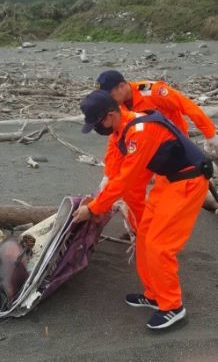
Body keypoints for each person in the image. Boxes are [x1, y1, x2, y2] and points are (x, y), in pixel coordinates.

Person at [73, 90, 211, 329]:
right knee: (144, 237)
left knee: (159, 246)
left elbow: (127, 179)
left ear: (110, 115)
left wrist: (95, 208)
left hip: (187, 182)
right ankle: (154, 295)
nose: (97, 129)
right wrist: (105, 185)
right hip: (166, 181)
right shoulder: (121, 130)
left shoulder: (140, 132)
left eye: (97, 124)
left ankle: (173, 307)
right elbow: (116, 166)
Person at [95, 70, 217, 231]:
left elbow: (187, 106)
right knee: (131, 188)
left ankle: (166, 228)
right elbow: (117, 139)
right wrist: (108, 174)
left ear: (122, 86)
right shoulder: (117, 108)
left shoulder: (153, 92)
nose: (107, 100)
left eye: (109, 94)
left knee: (175, 186)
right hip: (144, 149)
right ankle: (140, 228)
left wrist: (210, 134)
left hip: (173, 148)